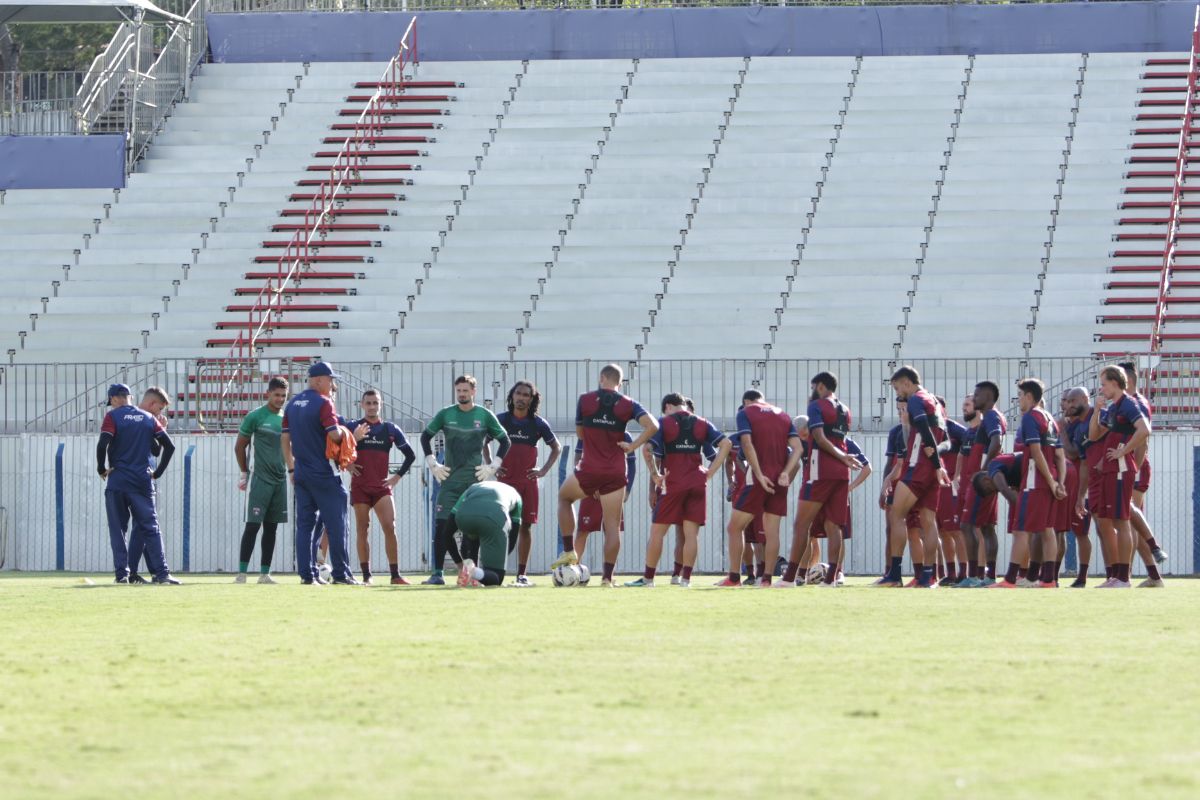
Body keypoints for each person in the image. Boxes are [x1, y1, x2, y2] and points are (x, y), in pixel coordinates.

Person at [551, 363, 658, 588]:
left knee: (564, 497)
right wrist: (632, 446)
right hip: (616, 471)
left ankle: (569, 551)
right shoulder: (628, 403)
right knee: (612, 527)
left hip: (590, 467)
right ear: (619, 382)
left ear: (602, 378)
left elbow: (580, 433)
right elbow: (653, 425)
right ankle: (607, 579)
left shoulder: (585, 399)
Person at [627, 393, 730, 588]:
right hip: (697, 483)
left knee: (658, 532)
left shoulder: (663, 423)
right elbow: (726, 444)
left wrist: (656, 474)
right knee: (691, 535)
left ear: (668, 406)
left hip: (673, 483)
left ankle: (648, 579)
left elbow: (646, 449)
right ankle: (686, 579)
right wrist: (709, 473)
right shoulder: (702, 423)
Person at [419, 375, 510, 585]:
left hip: (473, 484)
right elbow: (425, 437)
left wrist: (493, 466)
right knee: (442, 529)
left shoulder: (485, 415)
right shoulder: (446, 413)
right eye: (458, 390)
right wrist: (433, 464)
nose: (462, 394)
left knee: (471, 532)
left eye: (465, 390)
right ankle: (439, 574)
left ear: (473, 392)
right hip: (449, 482)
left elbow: (505, 440)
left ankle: (471, 575)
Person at [776, 372, 862, 588]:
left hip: (820, 469)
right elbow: (836, 438)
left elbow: (820, 437)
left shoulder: (816, 406)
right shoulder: (845, 410)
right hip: (842, 472)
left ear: (821, 386)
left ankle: (789, 578)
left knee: (801, 524)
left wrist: (840, 456)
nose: (811, 391)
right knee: (835, 526)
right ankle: (832, 578)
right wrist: (843, 458)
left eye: (813, 386)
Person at [717, 389, 803, 587]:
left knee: (734, 527)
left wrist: (758, 473)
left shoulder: (745, 412)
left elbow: (746, 443)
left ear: (746, 401)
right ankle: (766, 580)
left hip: (757, 479)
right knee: (772, 532)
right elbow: (798, 448)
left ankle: (734, 578)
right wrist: (785, 473)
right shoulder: (782, 414)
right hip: (779, 479)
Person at [281, 361, 356, 585]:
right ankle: (342, 575)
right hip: (324, 473)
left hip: (301, 473)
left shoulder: (293, 403)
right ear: (319, 380)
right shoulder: (324, 402)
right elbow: (334, 435)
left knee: (305, 525)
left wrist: (291, 467)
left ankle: (307, 575)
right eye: (330, 380)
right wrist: (351, 437)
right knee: (337, 523)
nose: (332, 385)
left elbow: (285, 439)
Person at [97, 383, 180, 585]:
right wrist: (157, 473)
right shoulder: (148, 418)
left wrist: (101, 468)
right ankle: (162, 574)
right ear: (130, 397)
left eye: (111, 402)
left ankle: (122, 575)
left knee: (118, 530)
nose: (111, 405)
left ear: (115, 398)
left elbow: (103, 443)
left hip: (117, 481)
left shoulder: (113, 417)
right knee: (150, 527)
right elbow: (167, 447)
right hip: (142, 481)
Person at [988, 379, 1066, 589]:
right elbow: (1059, 455)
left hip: (1034, 481)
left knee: (1021, 530)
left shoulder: (1031, 417)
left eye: (1020, 395)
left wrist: (1050, 481)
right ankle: (1048, 579)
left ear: (1029, 396)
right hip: (1049, 482)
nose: (1018, 399)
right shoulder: (1050, 418)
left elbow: (1036, 451)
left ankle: (1011, 579)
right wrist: (1060, 483)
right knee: (1048, 529)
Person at [878, 366, 950, 588]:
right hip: (929, 468)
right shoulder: (935, 402)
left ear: (907, 383)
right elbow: (946, 440)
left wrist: (935, 463)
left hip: (917, 466)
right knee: (928, 521)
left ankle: (895, 574)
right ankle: (929, 576)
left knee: (896, 515)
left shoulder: (916, 400)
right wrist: (938, 461)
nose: (898, 392)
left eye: (897, 387)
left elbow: (926, 433)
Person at [344, 388, 416, 585]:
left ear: (381, 404)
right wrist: (347, 463)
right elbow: (335, 450)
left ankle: (395, 575)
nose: (372, 406)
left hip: (382, 488)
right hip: (360, 487)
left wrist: (397, 477)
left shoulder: (391, 429)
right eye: (368, 403)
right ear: (362, 405)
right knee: (362, 529)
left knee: (390, 527)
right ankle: (367, 576)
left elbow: (411, 455)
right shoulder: (353, 427)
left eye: (375, 403)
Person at [1087, 364, 1151, 589]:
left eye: (1104, 384)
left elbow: (1145, 430)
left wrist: (1124, 450)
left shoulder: (1129, 404)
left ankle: (1123, 578)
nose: (1101, 388)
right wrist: (1096, 410)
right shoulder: (1115, 407)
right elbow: (1093, 435)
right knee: (1116, 520)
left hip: (1123, 469)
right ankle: (1118, 576)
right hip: (1113, 470)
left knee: (1122, 521)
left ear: (1115, 383)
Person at [495, 380, 560, 586]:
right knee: (498, 526)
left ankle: (521, 574)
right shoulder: (501, 420)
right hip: (504, 483)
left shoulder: (538, 423)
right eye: (518, 394)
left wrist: (543, 471)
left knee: (526, 527)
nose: (521, 398)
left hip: (527, 483)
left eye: (526, 395)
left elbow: (556, 448)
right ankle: (494, 571)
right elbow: (484, 441)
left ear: (531, 399)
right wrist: (492, 465)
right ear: (512, 396)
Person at [234, 377, 289, 584]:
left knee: (271, 528)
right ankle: (241, 573)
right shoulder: (255, 416)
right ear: (268, 394)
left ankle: (265, 574)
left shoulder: (286, 419)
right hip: (260, 480)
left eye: (284, 396)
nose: (280, 399)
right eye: (277, 395)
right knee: (252, 526)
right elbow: (240, 446)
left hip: (280, 481)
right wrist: (244, 472)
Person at [955, 381, 1006, 586]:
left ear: (987, 396)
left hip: (981, 480)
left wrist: (983, 471)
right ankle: (989, 576)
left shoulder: (992, 416)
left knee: (967, 525)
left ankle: (975, 576)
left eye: (976, 396)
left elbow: (997, 441)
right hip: (985, 478)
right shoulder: (990, 417)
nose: (974, 399)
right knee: (986, 527)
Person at [574, 433, 636, 570]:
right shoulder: (587, 431)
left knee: (612, 531)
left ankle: (608, 575)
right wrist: (589, 484)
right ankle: (572, 571)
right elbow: (578, 459)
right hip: (591, 491)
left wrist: (628, 489)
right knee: (582, 530)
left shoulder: (624, 435)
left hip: (614, 489)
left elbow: (631, 463)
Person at [447, 481, 524, 588]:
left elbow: (446, 533)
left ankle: (469, 570)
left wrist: (459, 563)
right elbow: (511, 540)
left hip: (463, 516)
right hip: (493, 516)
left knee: (473, 530)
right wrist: (496, 559)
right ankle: (473, 572)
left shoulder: (472, 488)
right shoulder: (517, 497)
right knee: (496, 578)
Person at [970, 452, 1025, 583]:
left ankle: (1029, 575)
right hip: (1039, 466)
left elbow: (1006, 491)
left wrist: (1026, 513)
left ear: (986, 480)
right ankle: (1042, 576)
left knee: (1026, 532)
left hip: (1038, 466)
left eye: (989, 490)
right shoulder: (1006, 472)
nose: (994, 492)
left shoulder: (994, 470)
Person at [936, 397, 969, 586]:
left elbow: (970, 446)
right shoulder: (929, 430)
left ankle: (964, 572)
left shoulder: (954, 429)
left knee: (956, 531)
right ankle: (951, 573)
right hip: (936, 487)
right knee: (942, 531)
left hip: (951, 488)